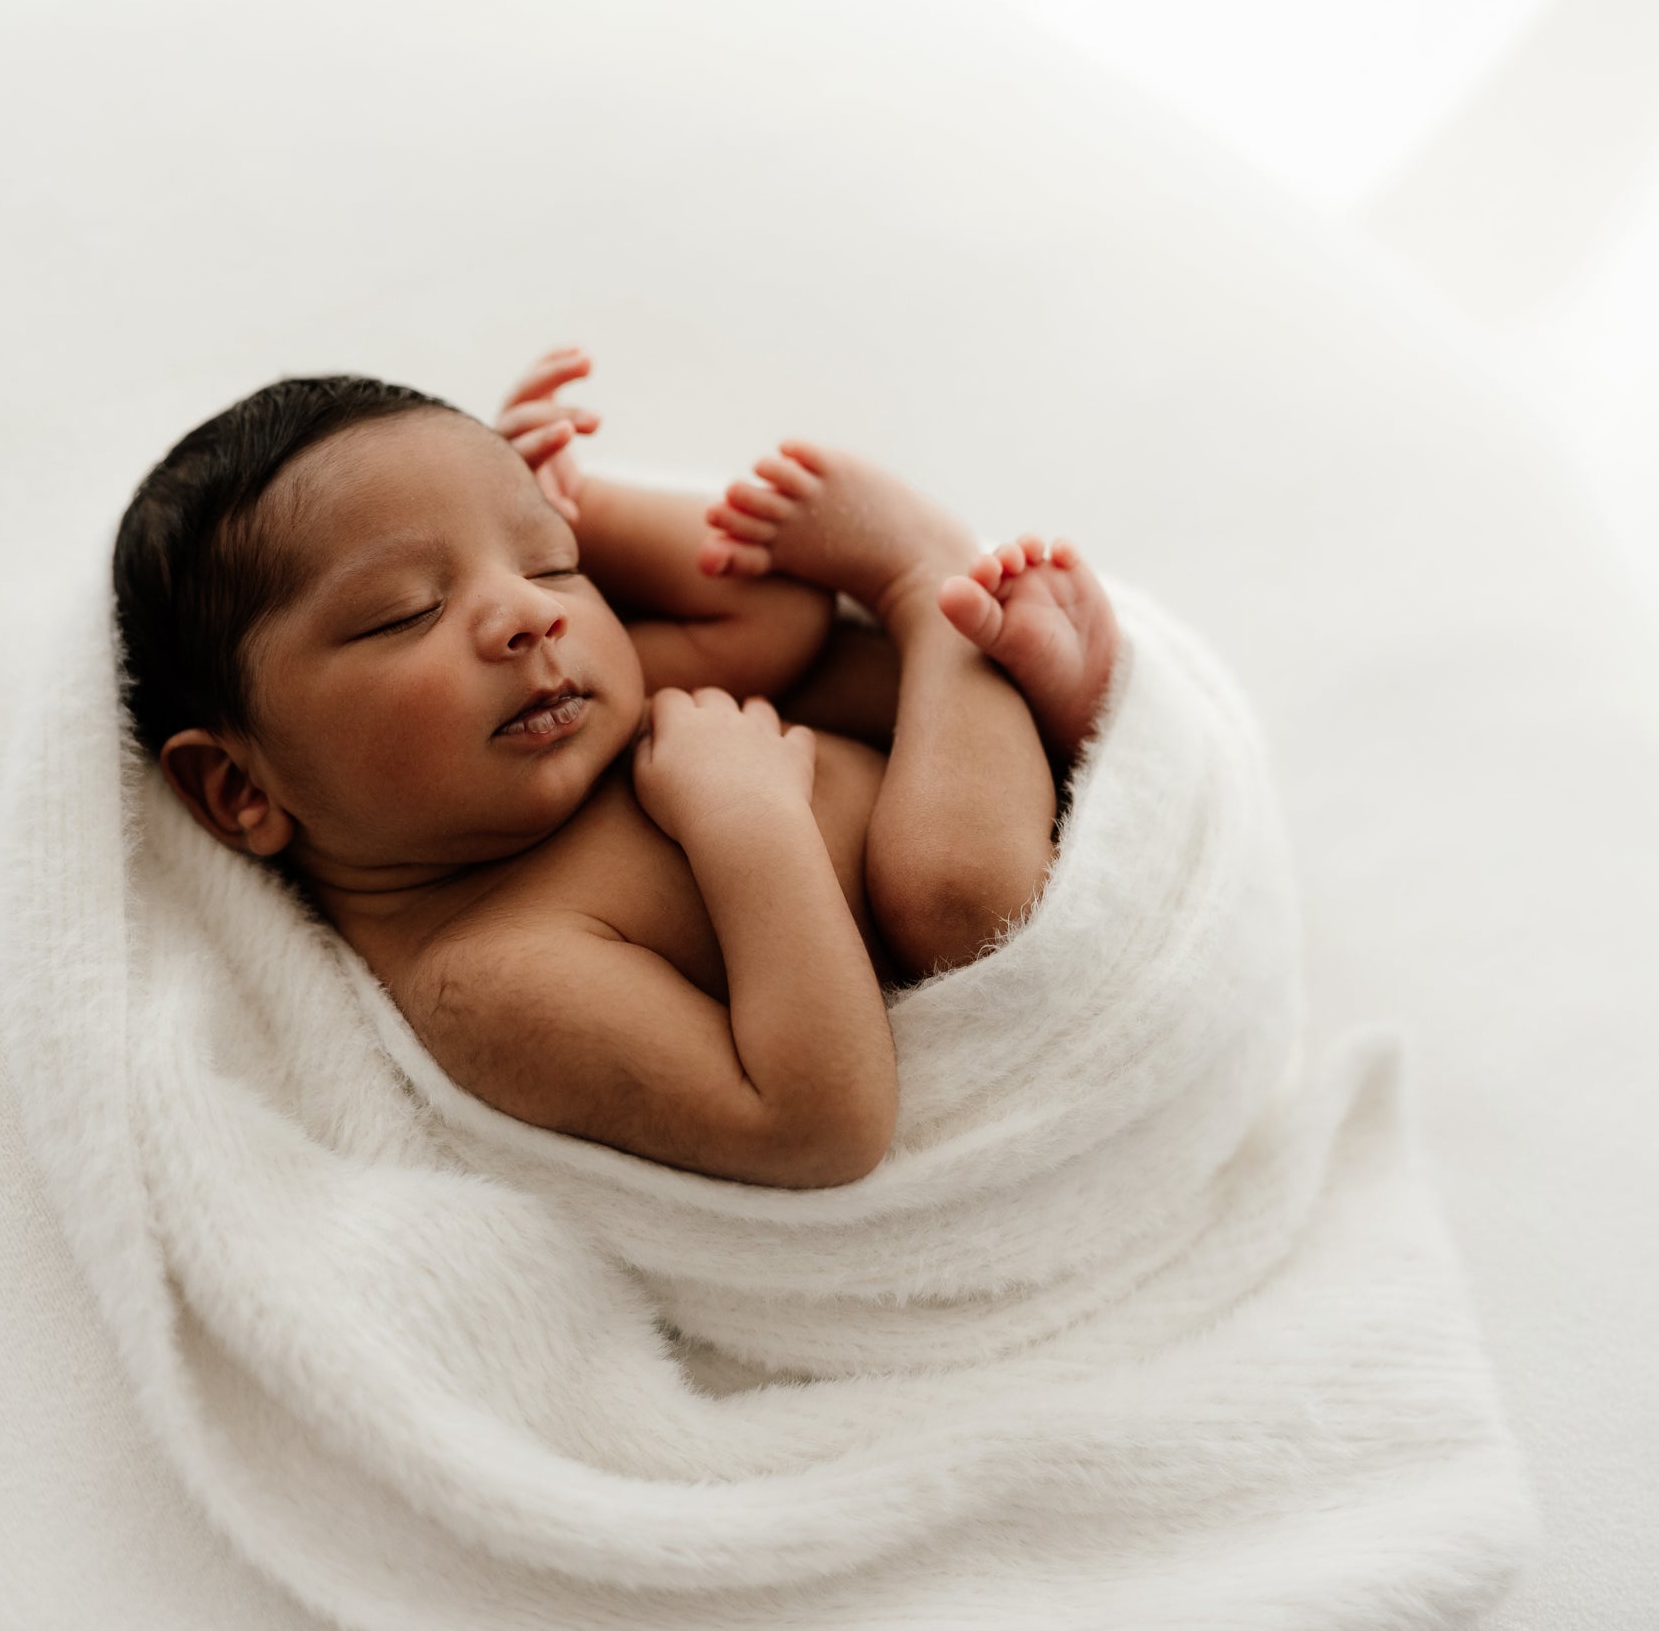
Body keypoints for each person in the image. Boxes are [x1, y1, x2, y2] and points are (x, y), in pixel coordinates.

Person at [114, 349, 1118, 1188]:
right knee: (958, 901)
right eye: (404, 612)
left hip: (932, 753)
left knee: (839, 669)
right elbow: (814, 1127)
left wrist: (581, 503)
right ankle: (929, 582)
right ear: (240, 787)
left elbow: (774, 612)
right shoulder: (489, 975)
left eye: (551, 562)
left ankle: (1060, 710)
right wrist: (748, 824)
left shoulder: (574, 712)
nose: (531, 612)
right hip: (953, 881)